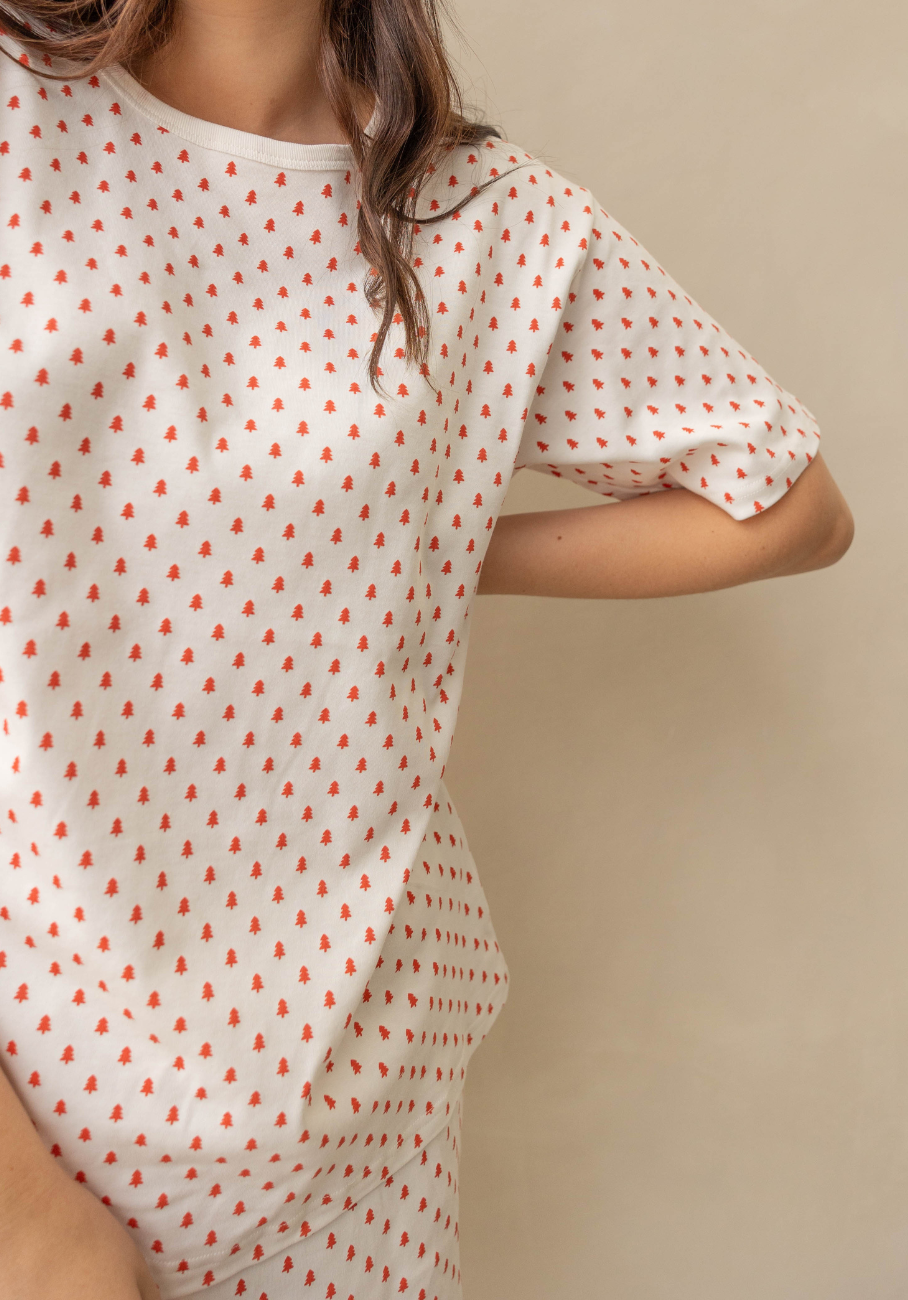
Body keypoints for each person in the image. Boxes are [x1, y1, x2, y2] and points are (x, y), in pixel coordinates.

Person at [0, 0, 853, 1294]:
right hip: (38, 1137)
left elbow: (793, 508)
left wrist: (421, 549)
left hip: (352, 1140)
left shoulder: (486, 218)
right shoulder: (23, 110)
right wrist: (28, 1218)